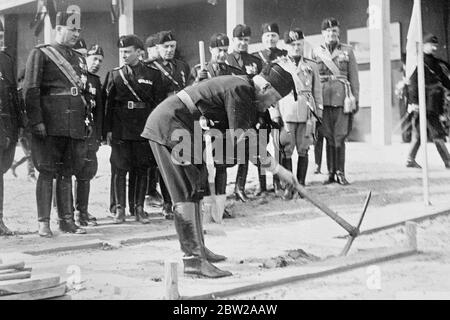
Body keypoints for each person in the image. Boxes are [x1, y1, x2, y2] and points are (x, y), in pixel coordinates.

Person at [142, 62, 299, 278]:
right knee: (185, 191)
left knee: (197, 186)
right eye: (275, 99)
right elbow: (243, 140)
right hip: (171, 122)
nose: (273, 106)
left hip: (187, 126)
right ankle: (193, 261)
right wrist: (279, 171)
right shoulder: (241, 89)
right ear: (266, 88)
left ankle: (199, 249)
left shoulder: (243, 88)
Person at [24, 10, 90, 237]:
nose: (76, 34)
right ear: (58, 29)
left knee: (67, 172)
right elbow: (31, 90)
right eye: (72, 29)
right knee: (46, 171)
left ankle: (67, 220)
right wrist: (36, 121)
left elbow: (83, 92)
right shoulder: (41, 54)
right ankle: (43, 222)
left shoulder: (79, 58)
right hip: (50, 123)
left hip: (73, 124)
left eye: (79, 30)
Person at [104, 34, 163, 224]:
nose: (123, 55)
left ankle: (138, 208)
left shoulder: (153, 75)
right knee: (120, 169)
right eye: (121, 52)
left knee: (141, 169)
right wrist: (108, 131)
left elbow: (158, 105)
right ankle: (120, 209)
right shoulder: (114, 74)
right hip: (121, 127)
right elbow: (108, 106)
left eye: (127, 52)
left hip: (143, 126)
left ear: (139, 52)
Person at [192, 32, 246, 219]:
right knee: (204, 166)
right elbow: (190, 96)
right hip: (204, 125)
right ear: (210, 50)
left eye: (225, 50)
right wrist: (198, 81)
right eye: (218, 50)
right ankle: (206, 205)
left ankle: (220, 207)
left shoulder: (233, 71)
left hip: (223, 124)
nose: (222, 54)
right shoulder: (198, 70)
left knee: (222, 165)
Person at [312, 18, 359, 186]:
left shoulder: (348, 50)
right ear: (323, 33)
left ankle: (340, 172)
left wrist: (356, 99)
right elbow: (311, 78)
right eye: (328, 31)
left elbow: (354, 77)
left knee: (340, 136)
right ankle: (331, 172)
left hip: (342, 99)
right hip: (323, 99)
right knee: (327, 136)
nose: (331, 34)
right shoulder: (316, 52)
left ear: (338, 33)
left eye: (334, 31)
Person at [278, 29, 323, 200]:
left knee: (304, 149)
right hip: (286, 111)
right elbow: (273, 93)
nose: (296, 48)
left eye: (299, 44)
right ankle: (289, 186)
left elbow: (317, 91)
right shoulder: (280, 64)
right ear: (286, 46)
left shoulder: (311, 65)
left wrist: (318, 113)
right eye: (293, 45)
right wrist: (275, 114)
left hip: (306, 112)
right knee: (287, 150)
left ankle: (301, 185)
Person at [151, 30, 191, 219]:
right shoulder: (151, 68)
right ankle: (167, 203)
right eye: (165, 47)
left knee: (181, 159)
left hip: (181, 118)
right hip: (163, 118)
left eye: (172, 46)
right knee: (164, 164)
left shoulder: (182, 66)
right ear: (157, 48)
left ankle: (181, 200)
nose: (169, 50)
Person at [226, 24, 264, 200]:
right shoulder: (225, 60)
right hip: (229, 111)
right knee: (227, 152)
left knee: (246, 148)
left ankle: (239, 187)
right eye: (239, 40)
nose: (242, 43)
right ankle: (222, 189)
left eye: (246, 40)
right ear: (233, 40)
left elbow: (261, 88)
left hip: (249, 111)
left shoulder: (255, 61)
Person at [72, 44, 104, 226]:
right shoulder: (73, 77)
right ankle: (68, 212)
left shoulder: (95, 81)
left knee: (86, 173)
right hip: (73, 132)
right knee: (68, 172)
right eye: (94, 58)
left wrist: (97, 136)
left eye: (100, 60)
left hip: (89, 133)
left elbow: (98, 110)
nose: (97, 63)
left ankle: (82, 212)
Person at [406, 34, 450, 169]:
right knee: (437, 133)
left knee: (419, 134)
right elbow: (413, 84)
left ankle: (409, 159)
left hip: (432, 103)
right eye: (431, 45)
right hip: (424, 104)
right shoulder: (418, 62)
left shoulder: (435, 63)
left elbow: (443, 79)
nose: (434, 47)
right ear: (424, 46)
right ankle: (448, 161)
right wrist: (414, 103)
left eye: (435, 45)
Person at [254, 22, 288, 196]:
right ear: (262, 38)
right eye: (267, 36)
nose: (270, 38)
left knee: (280, 145)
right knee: (261, 145)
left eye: (273, 35)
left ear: (278, 37)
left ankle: (278, 182)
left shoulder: (285, 56)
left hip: (282, 104)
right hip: (265, 107)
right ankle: (262, 184)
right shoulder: (257, 57)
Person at [0, 21, 22, 236]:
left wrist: (19, 125)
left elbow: (13, 95)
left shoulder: (6, 60)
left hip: (6, 126)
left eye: (1, 35)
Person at [143, 33, 164, 209]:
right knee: (150, 159)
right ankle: (149, 191)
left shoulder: (173, 66)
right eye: (155, 47)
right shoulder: (147, 68)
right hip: (150, 114)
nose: (158, 50)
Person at [10, 69, 36, 182]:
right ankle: (30, 174)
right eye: (25, 80)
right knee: (30, 152)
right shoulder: (17, 94)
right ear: (20, 80)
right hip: (21, 128)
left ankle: (15, 165)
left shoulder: (31, 94)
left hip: (30, 128)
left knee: (31, 152)